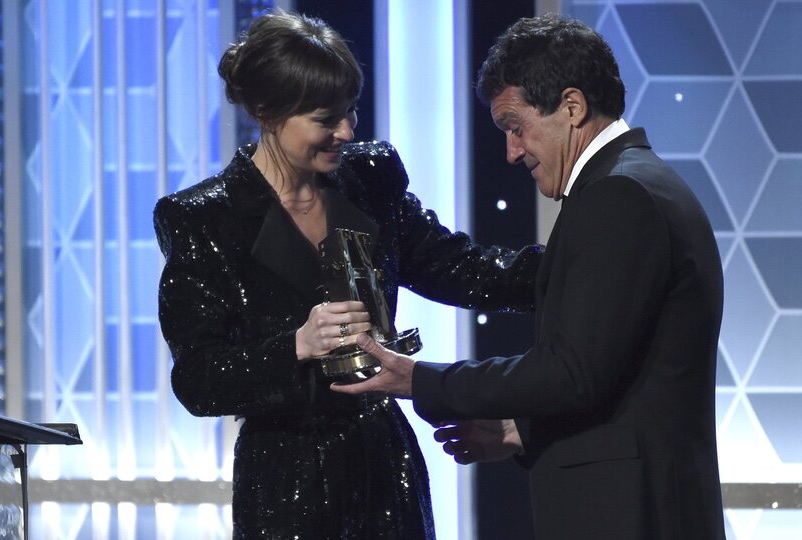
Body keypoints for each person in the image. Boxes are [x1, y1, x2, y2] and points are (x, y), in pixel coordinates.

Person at [334, 14, 727, 540]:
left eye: (516, 128)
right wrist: (527, 430)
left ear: (571, 107)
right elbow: (622, 375)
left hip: (629, 515)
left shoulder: (618, 197)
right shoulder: (640, 185)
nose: (512, 152)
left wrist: (422, 378)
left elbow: (571, 372)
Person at [153, 10, 541, 539]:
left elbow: (464, 269)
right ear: (267, 112)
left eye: (349, 112)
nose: (345, 131)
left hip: (385, 467)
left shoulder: (369, 181)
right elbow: (198, 379)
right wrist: (296, 344)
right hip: (285, 483)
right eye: (324, 118)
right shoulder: (203, 219)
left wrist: (577, 262)